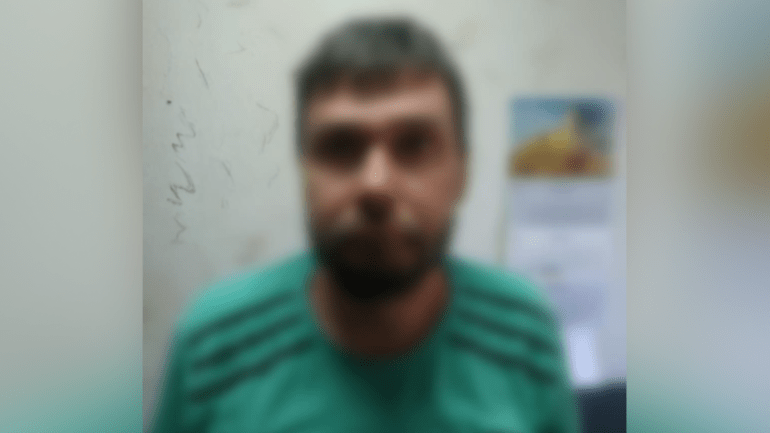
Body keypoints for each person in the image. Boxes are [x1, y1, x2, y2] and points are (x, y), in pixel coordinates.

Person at [151, 17, 580, 433]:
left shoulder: (525, 332)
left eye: (415, 144)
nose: (376, 185)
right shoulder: (213, 344)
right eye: (340, 146)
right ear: (304, 173)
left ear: (462, 174)